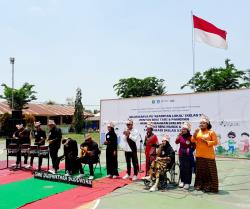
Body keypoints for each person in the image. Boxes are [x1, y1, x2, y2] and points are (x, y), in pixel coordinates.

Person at [191, 115, 219, 193]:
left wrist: (207, 142)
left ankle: (209, 187)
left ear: (207, 124)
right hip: (199, 155)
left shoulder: (211, 132)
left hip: (209, 156)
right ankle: (199, 185)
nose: (201, 124)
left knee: (210, 172)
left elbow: (216, 142)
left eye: (203, 123)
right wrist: (194, 134)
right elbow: (192, 140)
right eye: (201, 123)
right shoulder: (198, 132)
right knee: (200, 172)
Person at [175, 122, 196, 190]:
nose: (183, 130)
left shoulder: (191, 137)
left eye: (184, 129)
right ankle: (182, 181)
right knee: (182, 168)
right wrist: (178, 136)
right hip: (181, 154)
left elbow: (194, 146)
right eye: (182, 129)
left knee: (188, 168)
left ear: (188, 130)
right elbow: (176, 142)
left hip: (188, 155)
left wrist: (190, 150)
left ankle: (187, 183)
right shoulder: (180, 136)